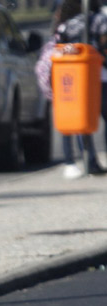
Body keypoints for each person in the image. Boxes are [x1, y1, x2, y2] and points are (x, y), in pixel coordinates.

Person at [55, 0, 107, 177]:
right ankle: (90, 160)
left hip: (71, 77)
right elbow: (104, 41)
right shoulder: (99, 20)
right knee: (95, 118)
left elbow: (58, 48)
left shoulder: (65, 26)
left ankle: (73, 161)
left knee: (74, 119)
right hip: (99, 74)